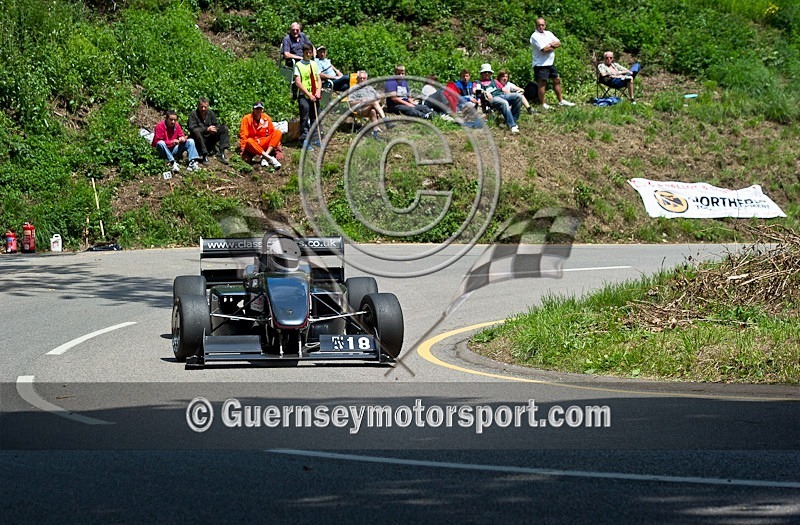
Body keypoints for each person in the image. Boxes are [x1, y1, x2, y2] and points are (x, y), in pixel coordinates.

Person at [530, 17, 575, 108]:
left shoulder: (548, 33)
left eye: (542, 25)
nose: (541, 27)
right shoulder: (534, 36)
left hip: (550, 63)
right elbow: (544, 50)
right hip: (540, 64)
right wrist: (552, 46)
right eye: (539, 25)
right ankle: (542, 103)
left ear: (545, 25)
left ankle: (561, 100)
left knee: (557, 79)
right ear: (536, 26)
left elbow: (558, 42)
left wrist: (550, 45)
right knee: (542, 83)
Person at [477, 63, 521, 133]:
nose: (487, 74)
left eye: (489, 72)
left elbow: (503, 89)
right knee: (504, 102)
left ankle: (513, 119)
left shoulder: (495, 81)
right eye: (485, 72)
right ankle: (512, 126)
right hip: (492, 99)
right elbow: (475, 91)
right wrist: (485, 92)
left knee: (518, 96)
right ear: (482, 73)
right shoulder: (478, 82)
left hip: (501, 95)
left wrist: (511, 95)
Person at [187, 97, 231, 165]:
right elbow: (191, 128)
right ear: (198, 106)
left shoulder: (211, 113)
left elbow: (216, 124)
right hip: (198, 139)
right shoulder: (193, 114)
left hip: (210, 137)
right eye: (201, 107)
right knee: (196, 131)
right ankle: (204, 155)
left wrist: (214, 129)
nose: (203, 109)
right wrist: (206, 129)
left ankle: (221, 152)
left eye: (205, 107)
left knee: (224, 128)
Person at [294, 43, 322, 147]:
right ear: (303, 52)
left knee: (315, 117)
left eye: (310, 52)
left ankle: (315, 138)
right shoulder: (298, 65)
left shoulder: (314, 64)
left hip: (315, 94)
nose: (308, 54)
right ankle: (304, 140)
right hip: (304, 95)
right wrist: (308, 94)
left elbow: (318, 78)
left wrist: (318, 91)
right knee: (305, 118)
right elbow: (298, 82)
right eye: (307, 52)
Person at [238, 102, 282, 169]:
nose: (258, 111)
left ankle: (265, 156)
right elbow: (243, 135)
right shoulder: (246, 119)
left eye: (260, 109)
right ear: (253, 109)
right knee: (249, 141)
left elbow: (272, 133)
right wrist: (243, 150)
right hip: (253, 144)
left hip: (263, 142)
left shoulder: (266, 118)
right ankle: (270, 158)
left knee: (278, 132)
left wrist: (278, 150)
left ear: (262, 110)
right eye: (256, 109)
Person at [349, 70, 388, 138]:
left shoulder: (370, 88)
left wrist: (381, 97)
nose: (362, 80)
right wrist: (361, 101)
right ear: (357, 79)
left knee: (373, 111)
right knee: (373, 102)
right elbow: (351, 103)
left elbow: (379, 97)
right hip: (361, 109)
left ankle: (375, 135)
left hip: (372, 107)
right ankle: (386, 121)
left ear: (366, 79)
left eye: (364, 78)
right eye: (360, 78)